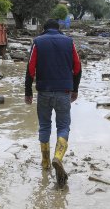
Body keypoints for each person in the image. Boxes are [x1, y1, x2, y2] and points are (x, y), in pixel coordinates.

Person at [25, 19, 82, 188]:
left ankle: (45, 163)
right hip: (64, 92)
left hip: (44, 91)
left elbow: (30, 69)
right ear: (59, 29)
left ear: (44, 29)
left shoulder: (38, 42)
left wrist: (28, 92)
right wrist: (75, 89)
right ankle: (58, 157)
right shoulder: (69, 42)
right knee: (63, 126)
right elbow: (78, 68)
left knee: (44, 126)